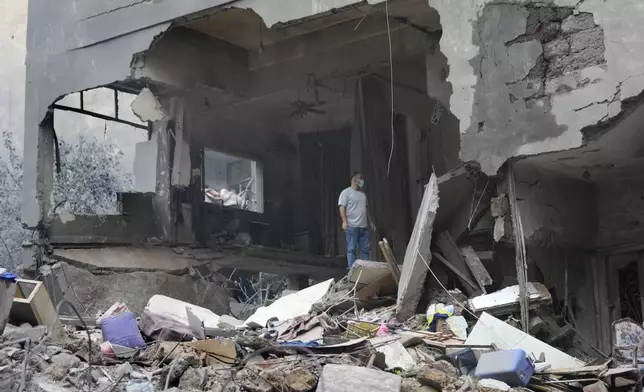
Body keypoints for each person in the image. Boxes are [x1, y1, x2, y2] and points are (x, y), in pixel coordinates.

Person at [338, 172, 376, 268]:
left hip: (363, 226)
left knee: (365, 250)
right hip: (352, 226)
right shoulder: (346, 192)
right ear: (354, 179)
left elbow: (366, 209)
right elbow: (342, 207)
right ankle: (352, 270)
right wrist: (344, 221)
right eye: (360, 178)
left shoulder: (362, 194)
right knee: (352, 249)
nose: (362, 180)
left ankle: (365, 270)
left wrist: (370, 222)